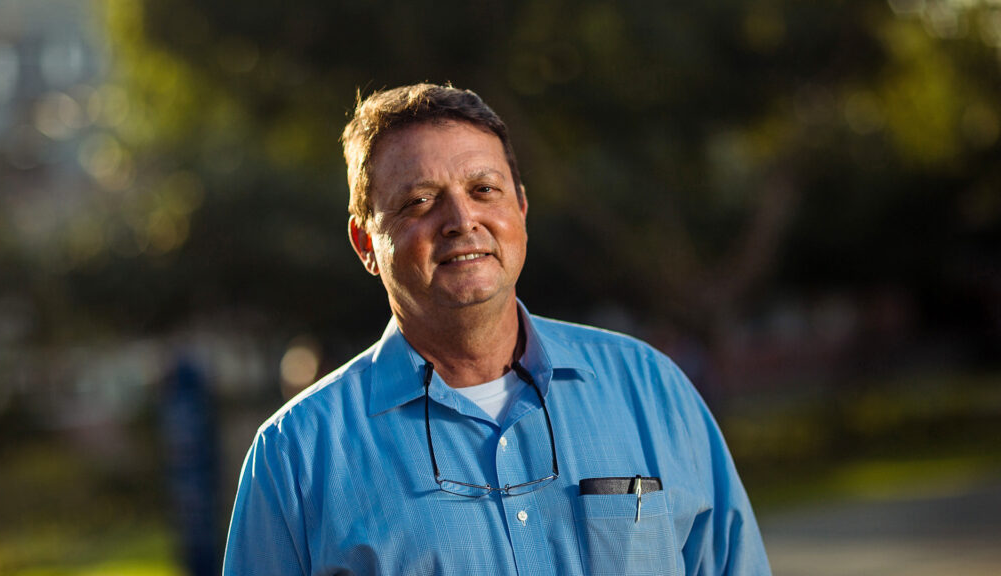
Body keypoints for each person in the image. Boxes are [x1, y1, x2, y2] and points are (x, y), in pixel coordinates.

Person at [223, 83, 771, 575]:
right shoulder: (296, 455)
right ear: (366, 244)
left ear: (522, 209)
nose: (462, 220)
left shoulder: (650, 388)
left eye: (484, 190)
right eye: (419, 201)